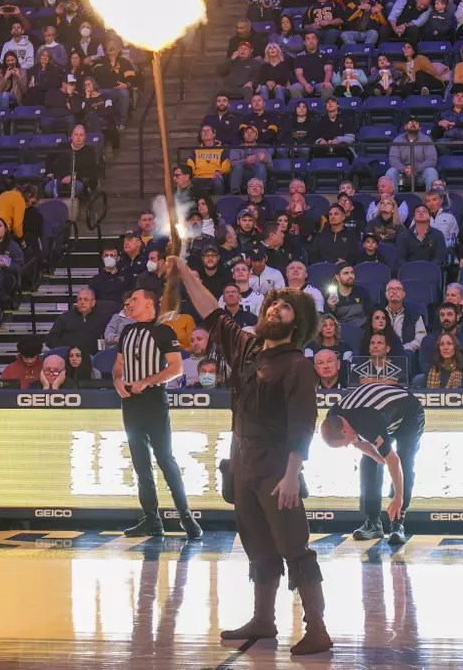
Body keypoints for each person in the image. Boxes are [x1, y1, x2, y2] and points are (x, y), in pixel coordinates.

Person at [170, 257, 330, 654]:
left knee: (294, 546)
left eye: (286, 306)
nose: (276, 308)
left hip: (277, 468)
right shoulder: (248, 348)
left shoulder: (297, 366)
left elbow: (303, 425)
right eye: (274, 303)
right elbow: (212, 314)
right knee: (256, 544)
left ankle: (318, 628)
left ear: (297, 323)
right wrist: (186, 272)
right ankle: (263, 619)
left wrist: (293, 474)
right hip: (242, 463)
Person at [113, 287, 202, 540]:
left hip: (153, 399)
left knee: (165, 459)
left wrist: (147, 381)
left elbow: (176, 368)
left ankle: (185, 516)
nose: (129, 303)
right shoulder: (127, 330)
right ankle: (151, 519)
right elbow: (118, 364)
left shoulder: (164, 330)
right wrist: (118, 381)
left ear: (149, 303)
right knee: (141, 464)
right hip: (130, 402)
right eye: (128, 300)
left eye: (134, 300)